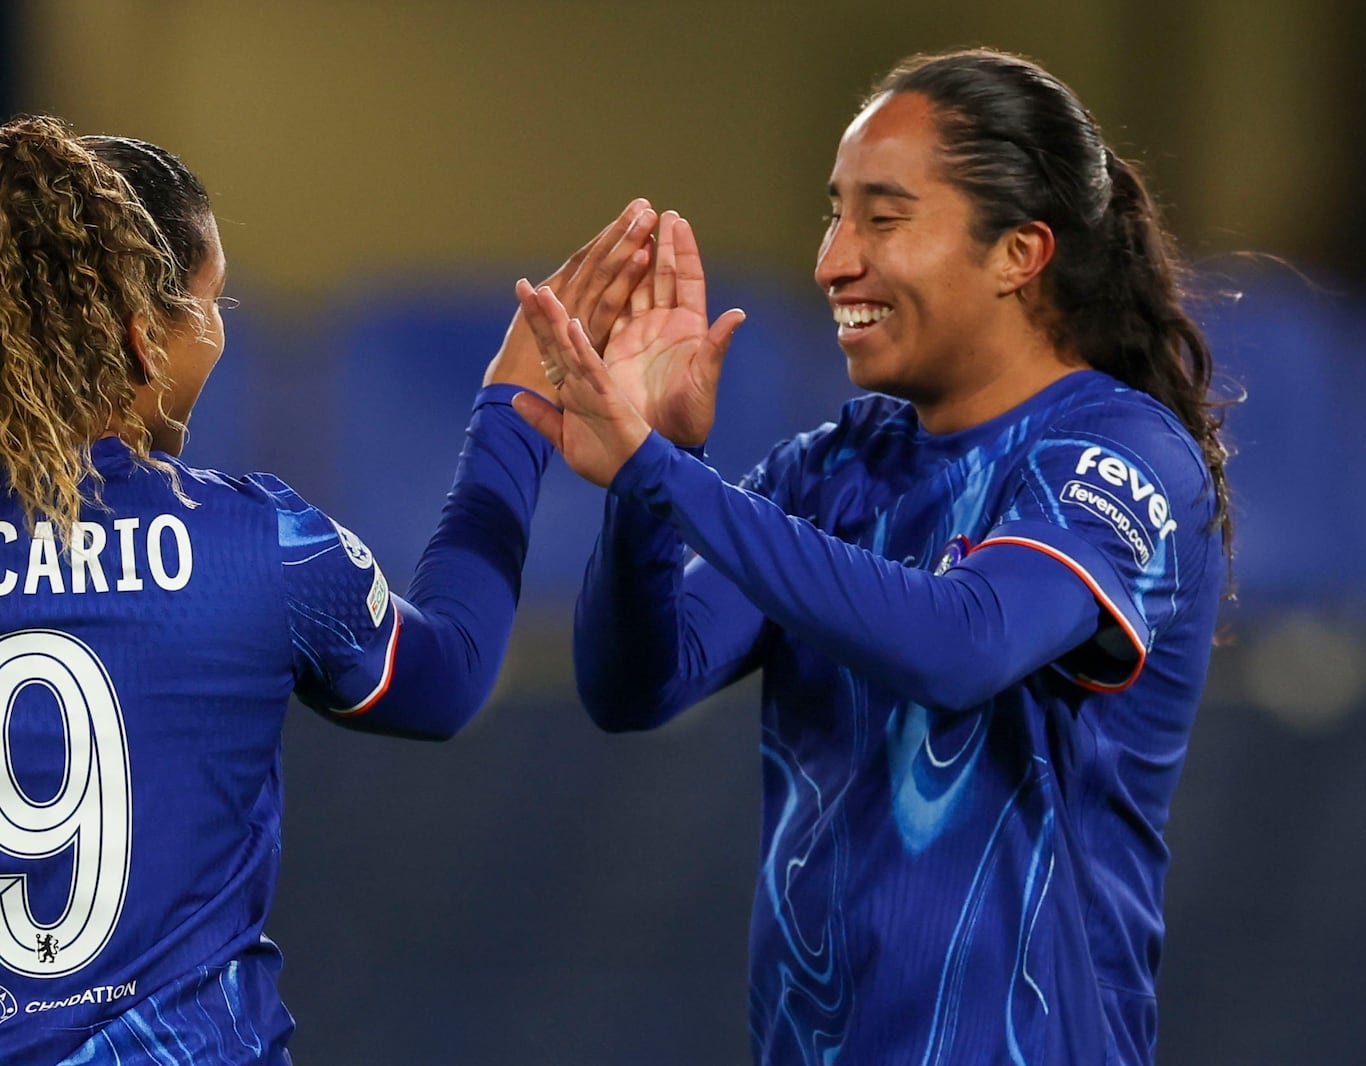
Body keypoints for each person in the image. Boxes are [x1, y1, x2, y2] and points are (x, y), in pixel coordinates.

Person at [516, 47, 1234, 1065]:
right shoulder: (832, 468)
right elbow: (634, 683)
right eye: (834, 213)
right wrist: (650, 477)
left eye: (882, 218)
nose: (832, 260)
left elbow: (963, 644)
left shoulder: (1117, 452)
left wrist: (666, 478)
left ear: (1018, 252)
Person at [0, 114, 654, 1064]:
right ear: (145, 335)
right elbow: (449, 675)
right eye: (210, 302)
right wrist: (511, 411)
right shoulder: (263, 544)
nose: (217, 335)